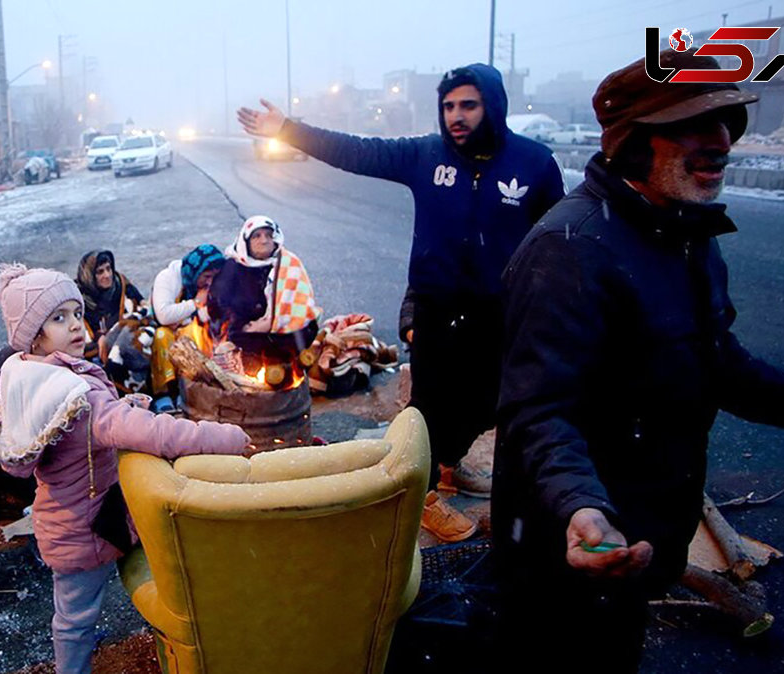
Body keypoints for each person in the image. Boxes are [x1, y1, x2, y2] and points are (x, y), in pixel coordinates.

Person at [493, 51, 784, 672]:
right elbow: (538, 409)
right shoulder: (571, 250)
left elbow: (720, 363)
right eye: (691, 125)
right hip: (572, 548)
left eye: (724, 122)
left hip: (643, 534)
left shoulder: (684, 232)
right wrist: (582, 507)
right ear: (634, 145)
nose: (718, 142)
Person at [238, 63, 565, 541]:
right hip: (436, 309)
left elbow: (555, 240)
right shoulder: (424, 154)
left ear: (492, 106)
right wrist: (288, 130)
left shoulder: (534, 163)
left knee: (489, 403)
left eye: (468, 105)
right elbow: (356, 151)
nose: (456, 115)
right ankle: (426, 495)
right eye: (448, 106)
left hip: (499, 313)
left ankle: (449, 465)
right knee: (430, 409)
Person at [0, 263, 250, 674]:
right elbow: (153, 434)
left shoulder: (33, 376)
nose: (76, 325)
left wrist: (124, 407)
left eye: (74, 313)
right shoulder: (78, 392)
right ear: (33, 334)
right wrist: (222, 437)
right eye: (58, 318)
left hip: (74, 517)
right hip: (86, 529)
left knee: (74, 609)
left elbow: (90, 428)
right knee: (73, 619)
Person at [215, 215, 322, 369]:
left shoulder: (288, 263)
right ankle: (266, 363)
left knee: (305, 331)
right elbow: (222, 302)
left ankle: (286, 363)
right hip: (251, 327)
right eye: (256, 236)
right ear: (246, 241)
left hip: (282, 326)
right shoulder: (234, 266)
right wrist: (247, 324)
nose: (264, 241)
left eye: (268, 235)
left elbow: (301, 305)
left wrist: (271, 321)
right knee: (238, 337)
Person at [149, 244, 225, 412]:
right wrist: (195, 303)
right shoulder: (168, 277)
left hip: (188, 332)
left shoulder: (210, 286)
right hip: (163, 333)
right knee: (163, 336)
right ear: (196, 272)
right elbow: (163, 316)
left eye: (214, 277)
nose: (209, 282)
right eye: (206, 276)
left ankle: (190, 391)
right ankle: (165, 395)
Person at [75, 249, 146, 361]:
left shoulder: (122, 286)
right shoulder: (77, 298)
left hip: (124, 347)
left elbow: (144, 308)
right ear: (89, 275)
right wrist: (99, 341)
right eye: (100, 272)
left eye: (109, 269)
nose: (107, 275)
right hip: (90, 357)